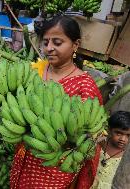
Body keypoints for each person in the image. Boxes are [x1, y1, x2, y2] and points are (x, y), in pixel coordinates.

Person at [10, 16, 103, 189]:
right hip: (24, 159)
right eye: (45, 43)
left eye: (57, 42)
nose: (49, 48)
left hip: (54, 168)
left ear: (75, 45)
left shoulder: (84, 85)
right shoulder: (34, 71)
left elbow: (87, 139)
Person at [90, 111, 130, 189]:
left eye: (128, 135)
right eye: (118, 133)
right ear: (109, 130)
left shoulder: (126, 158)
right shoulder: (99, 143)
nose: (123, 139)